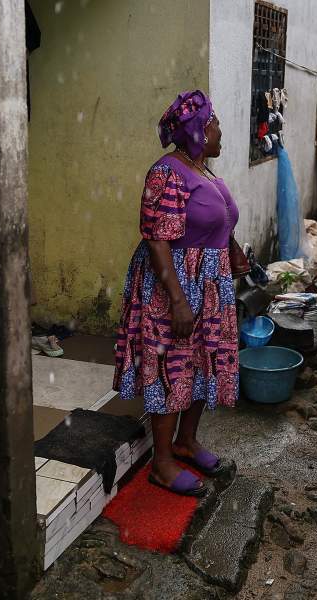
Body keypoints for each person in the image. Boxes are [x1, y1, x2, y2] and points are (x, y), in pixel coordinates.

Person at [113, 90, 242, 497]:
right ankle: (162, 463)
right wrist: (178, 299)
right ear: (198, 131)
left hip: (210, 283)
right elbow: (156, 240)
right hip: (175, 284)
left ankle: (186, 442)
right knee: (173, 365)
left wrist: (234, 252)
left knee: (202, 363)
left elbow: (221, 221)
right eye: (215, 122)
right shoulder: (167, 173)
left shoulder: (204, 171)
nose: (220, 128)